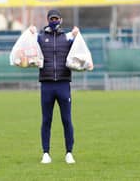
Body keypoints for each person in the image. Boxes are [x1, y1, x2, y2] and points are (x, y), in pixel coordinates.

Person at [36, 9, 79, 164]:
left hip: (63, 83)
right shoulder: (40, 38)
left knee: (66, 120)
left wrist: (76, 36)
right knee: (46, 120)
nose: (54, 21)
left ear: (60, 20)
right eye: (51, 18)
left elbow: (79, 52)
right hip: (46, 83)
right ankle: (46, 153)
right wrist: (29, 34)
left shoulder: (67, 38)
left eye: (56, 18)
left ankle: (69, 152)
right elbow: (28, 51)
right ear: (48, 20)